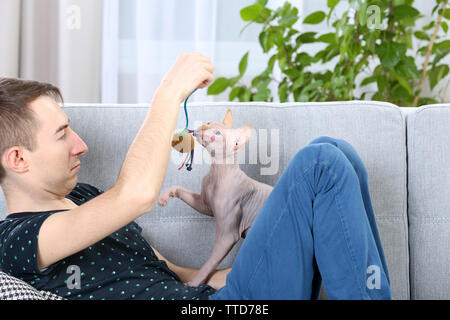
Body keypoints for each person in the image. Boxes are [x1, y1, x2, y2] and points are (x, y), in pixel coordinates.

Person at [0, 53, 391, 300]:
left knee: (339, 155)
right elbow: (135, 194)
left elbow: (175, 274)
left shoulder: (85, 195)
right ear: (17, 158)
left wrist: (268, 254)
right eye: (62, 134)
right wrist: (169, 92)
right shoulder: (16, 239)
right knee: (319, 162)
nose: (80, 144)